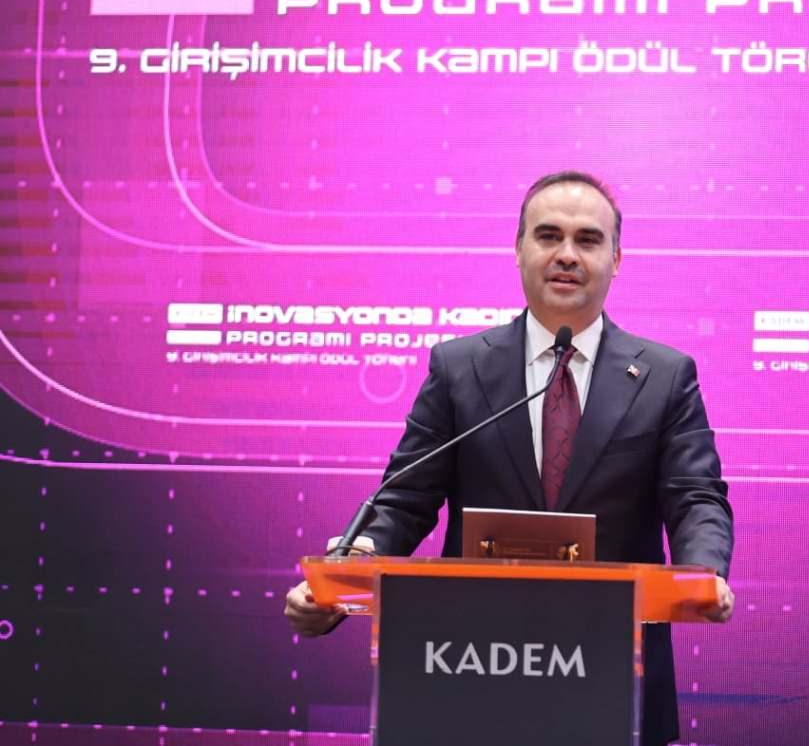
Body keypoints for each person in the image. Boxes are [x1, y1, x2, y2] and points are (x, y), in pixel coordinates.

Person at [285, 171, 735, 746]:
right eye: (548, 236)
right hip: (471, 665)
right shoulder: (459, 367)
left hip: (614, 675)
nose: (566, 255)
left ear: (617, 259)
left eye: (588, 240)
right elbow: (404, 499)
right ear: (518, 249)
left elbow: (695, 497)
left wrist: (703, 573)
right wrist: (350, 567)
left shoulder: (665, 376)